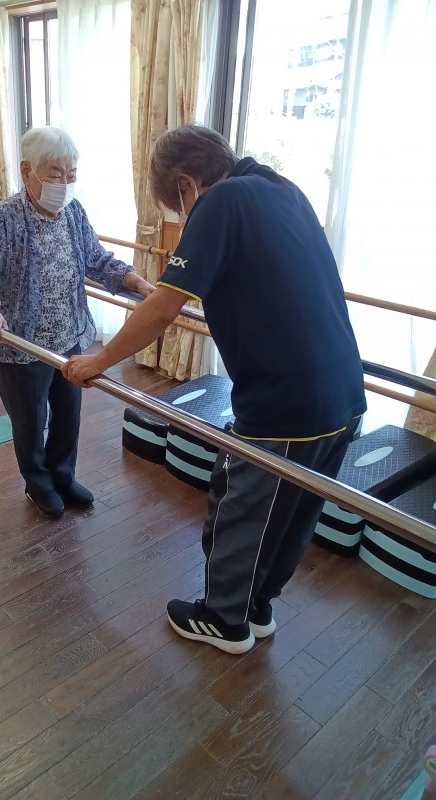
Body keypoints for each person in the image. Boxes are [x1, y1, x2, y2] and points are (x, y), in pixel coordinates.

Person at [63, 124, 367, 654]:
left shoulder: (220, 201)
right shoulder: (283, 189)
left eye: (178, 208)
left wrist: (99, 361)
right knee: (291, 514)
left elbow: (164, 306)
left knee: (242, 507)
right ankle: (256, 608)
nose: (184, 218)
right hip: (343, 392)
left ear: (187, 184)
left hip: (284, 402)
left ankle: (224, 619)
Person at [0, 126, 153, 519]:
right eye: (55, 174)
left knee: (68, 415)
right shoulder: (3, 219)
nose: (65, 183)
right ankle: (38, 484)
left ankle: (63, 475)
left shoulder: (73, 212)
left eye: (71, 174)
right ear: (27, 171)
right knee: (30, 422)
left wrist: (136, 282)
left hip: (68, 338)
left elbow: (97, 259)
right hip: (22, 345)